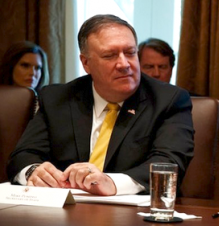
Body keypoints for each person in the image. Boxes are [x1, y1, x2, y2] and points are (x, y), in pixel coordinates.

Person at [7, 14, 194, 196]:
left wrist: (111, 182)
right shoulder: (57, 98)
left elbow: (169, 164)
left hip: (133, 220)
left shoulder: (169, 100)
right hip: (62, 214)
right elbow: (23, 155)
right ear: (86, 63)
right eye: (110, 55)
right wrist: (34, 172)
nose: (124, 64)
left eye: (130, 53)